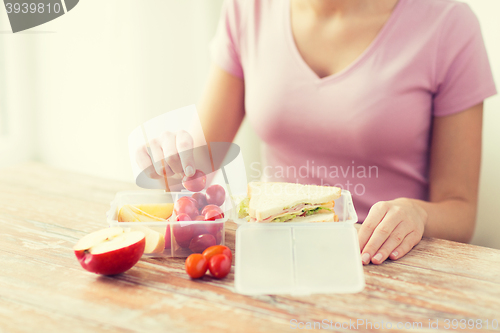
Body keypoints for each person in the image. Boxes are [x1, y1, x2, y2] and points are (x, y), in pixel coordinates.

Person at [137, 0, 497, 265]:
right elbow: (203, 164)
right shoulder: (248, 9)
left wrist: (418, 214)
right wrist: (173, 161)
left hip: (386, 260)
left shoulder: (449, 23)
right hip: (276, 256)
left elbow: (461, 211)